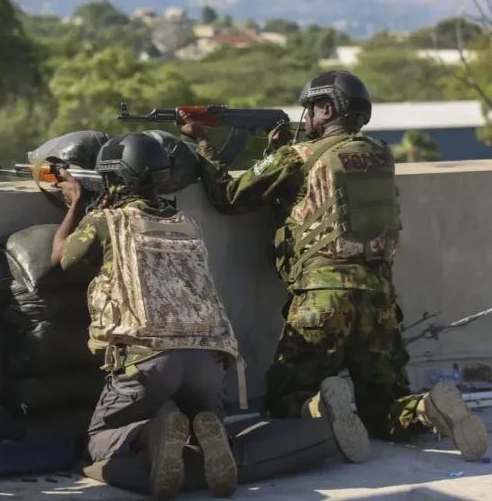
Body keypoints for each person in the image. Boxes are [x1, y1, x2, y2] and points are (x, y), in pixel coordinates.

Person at [177, 70, 488, 463]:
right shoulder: (380, 154)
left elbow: (229, 196)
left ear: (327, 108)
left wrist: (203, 144)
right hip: (379, 298)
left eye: (309, 109)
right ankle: (428, 409)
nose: (304, 117)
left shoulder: (297, 156)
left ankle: (321, 409)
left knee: (286, 398)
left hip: (321, 296)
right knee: (383, 408)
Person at [50, 132, 242, 499]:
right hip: (208, 360)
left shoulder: (108, 220)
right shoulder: (187, 222)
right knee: (203, 418)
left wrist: (76, 205)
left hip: (150, 360)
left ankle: (150, 434)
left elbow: (61, 259)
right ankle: (203, 435)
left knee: (100, 445)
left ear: (115, 179)